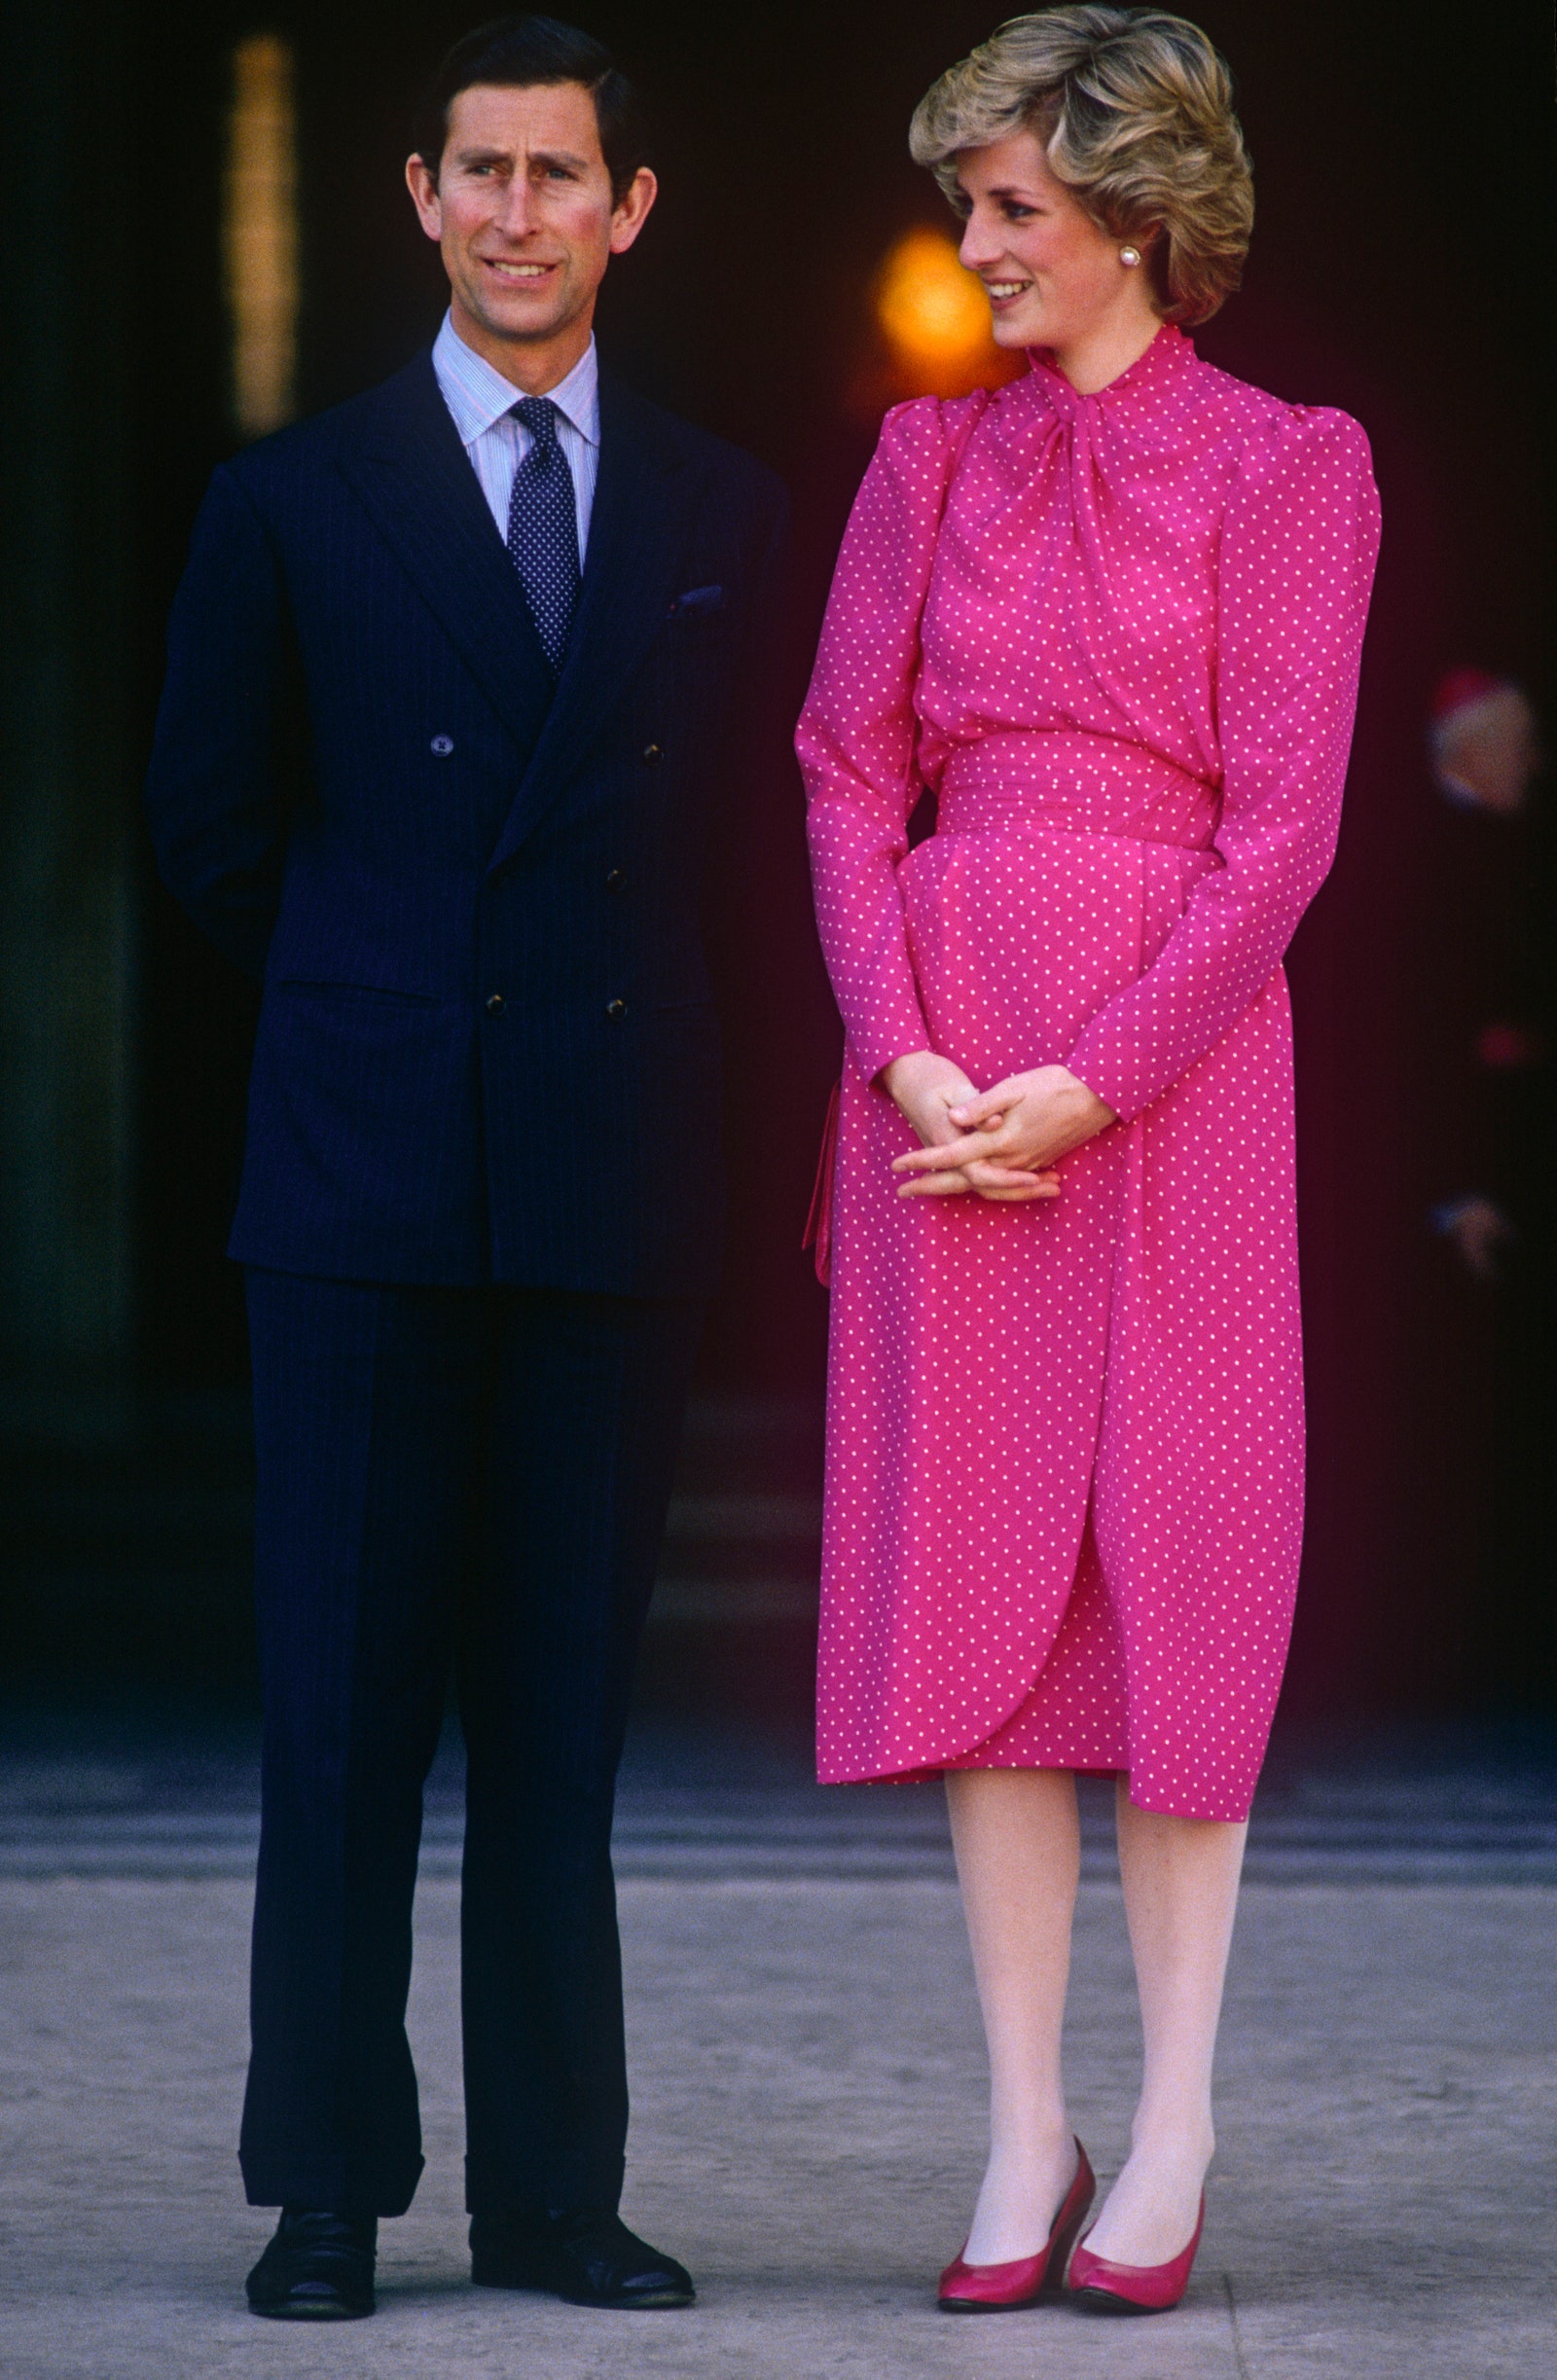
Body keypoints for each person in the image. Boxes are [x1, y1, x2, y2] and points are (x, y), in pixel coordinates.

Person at [146, 12, 786, 2323]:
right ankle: (322, 2188)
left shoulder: (723, 509)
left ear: (630, 210)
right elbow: (211, 836)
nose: (518, 212)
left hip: (609, 1186)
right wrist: (387, 1007)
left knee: (557, 1726)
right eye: (479, 172)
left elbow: (739, 845)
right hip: (360, 1188)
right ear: (415, 197)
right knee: (336, 1719)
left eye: (560, 174)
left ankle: (549, 2192)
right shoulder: (290, 502)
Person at [798, 4, 1379, 2316]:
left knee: (1183, 1572)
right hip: (948, 1095)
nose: (974, 245)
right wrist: (903, 1048)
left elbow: (1285, 827)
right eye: (967, 204)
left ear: (1139, 213)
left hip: (1180, 1085)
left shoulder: (1288, 463)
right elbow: (844, 769)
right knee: (983, 1595)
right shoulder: (921, 467)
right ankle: (1023, 2112)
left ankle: (1174, 2116)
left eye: (1011, 208)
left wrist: (1096, 1072)